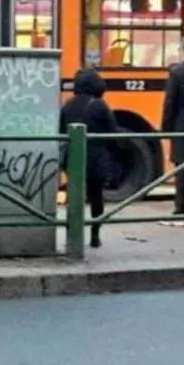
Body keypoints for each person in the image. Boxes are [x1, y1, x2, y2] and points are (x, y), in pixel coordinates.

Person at [60, 68, 120, 248]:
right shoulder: (100, 105)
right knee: (96, 198)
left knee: (75, 197)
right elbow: (112, 132)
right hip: (96, 159)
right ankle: (95, 236)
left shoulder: (68, 104)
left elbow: (60, 130)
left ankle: (73, 236)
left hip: (73, 159)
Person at [162, 37, 184, 216]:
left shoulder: (177, 72)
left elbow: (170, 103)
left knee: (182, 167)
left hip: (183, 126)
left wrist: (166, 128)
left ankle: (181, 206)